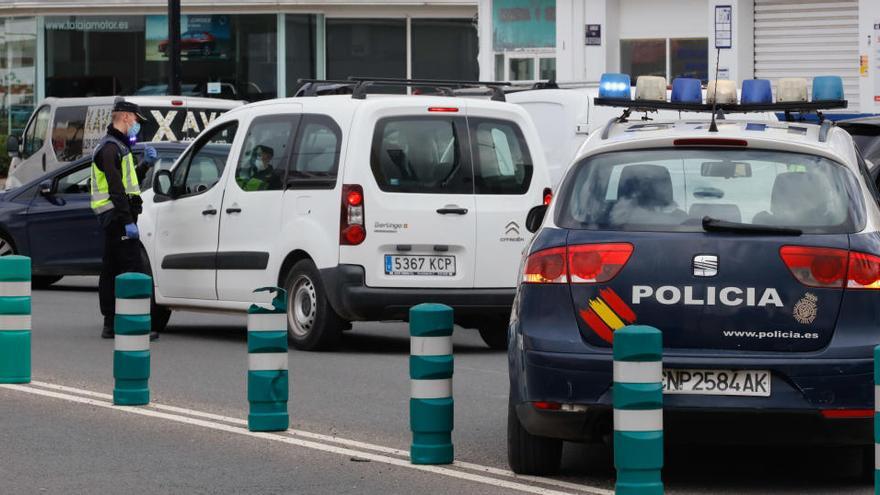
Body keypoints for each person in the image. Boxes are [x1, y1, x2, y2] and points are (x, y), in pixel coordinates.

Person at [90, 98, 159, 340]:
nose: (137, 125)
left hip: (117, 216)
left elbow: (128, 183)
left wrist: (145, 166)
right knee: (133, 269)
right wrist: (127, 220)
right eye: (137, 120)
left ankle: (110, 323)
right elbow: (116, 189)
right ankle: (134, 323)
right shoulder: (110, 148)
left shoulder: (118, 147)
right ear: (126, 117)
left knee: (111, 268)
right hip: (117, 216)